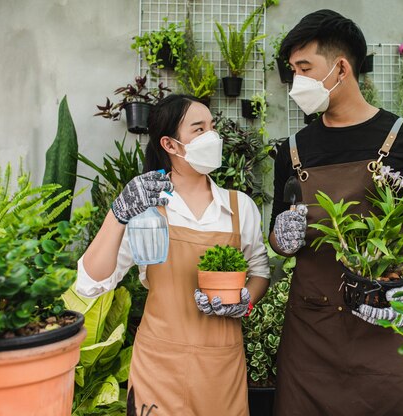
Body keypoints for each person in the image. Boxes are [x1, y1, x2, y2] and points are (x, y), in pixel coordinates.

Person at [269, 10, 403, 416]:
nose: (297, 81)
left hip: (386, 327)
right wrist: (282, 236)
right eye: (293, 70)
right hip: (310, 336)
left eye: (304, 68)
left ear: (340, 67)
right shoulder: (293, 149)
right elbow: (278, 237)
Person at [76, 94, 270, 415]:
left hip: (221, 368)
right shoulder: (146, 210)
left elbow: (260, 272)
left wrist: (245, 300)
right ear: (170, 145)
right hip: (159, 367)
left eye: (213, 127)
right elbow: (91, 283)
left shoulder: (239, 207)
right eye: (199, 129)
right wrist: (119, 212)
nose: (213, 136)